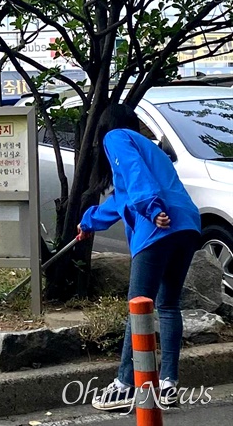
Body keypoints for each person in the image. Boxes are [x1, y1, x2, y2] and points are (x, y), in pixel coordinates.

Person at [77, 104, 201, 411]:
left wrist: (152, 209)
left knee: (139, 307)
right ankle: (168, 384)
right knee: (168, 305)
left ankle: (124, 385)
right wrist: (89, 222)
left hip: (158, 225)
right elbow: (122, 196)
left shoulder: (116, 136)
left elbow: (136, 176)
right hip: (187, 225)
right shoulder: (153, 149)